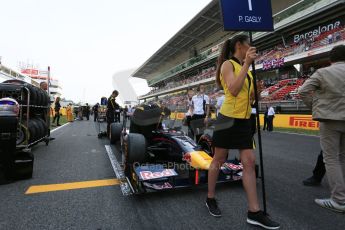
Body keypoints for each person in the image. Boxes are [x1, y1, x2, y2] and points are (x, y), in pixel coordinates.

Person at [206, 35, 280, 229]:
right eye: (248, 44)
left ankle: (254, 212)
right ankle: (210, 197)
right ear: (239, 45)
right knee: (218, 159)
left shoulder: (246, 70)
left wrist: (257, 91)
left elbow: (248, 98)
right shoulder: (228, 65)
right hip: (227, 120)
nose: (251, 47)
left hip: (244, 121)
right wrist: (247, 63)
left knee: (249, 162)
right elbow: (234, 89)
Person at [299, 45, 345, 213]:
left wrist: (315, 107)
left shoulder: (323, 72)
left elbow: (303, 91)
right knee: (342, 158)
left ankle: (339, 199)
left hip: (330, 119)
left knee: (331, 158)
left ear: (330, 59)